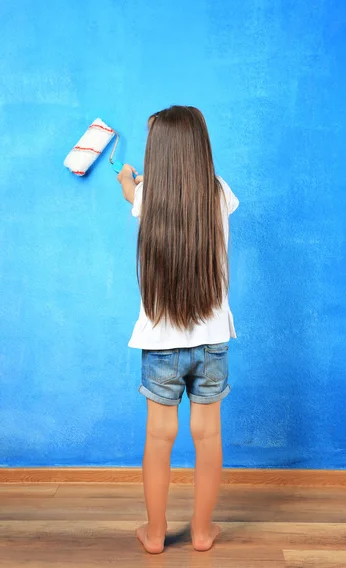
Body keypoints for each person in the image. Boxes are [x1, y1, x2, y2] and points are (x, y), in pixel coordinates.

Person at [117, 106, 239, 554]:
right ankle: (203, 533)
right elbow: (174, 193)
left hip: (161, 347)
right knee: (208, 436)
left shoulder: (149, 199)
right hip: (212, 341)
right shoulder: (220, 192)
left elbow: (136, 195)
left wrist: (128, 182)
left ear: (159, 155)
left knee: (158, 437)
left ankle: (154, 535)